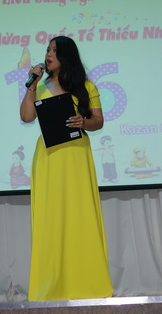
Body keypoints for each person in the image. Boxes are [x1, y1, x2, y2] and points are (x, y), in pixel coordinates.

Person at [20, 36, 113, 301]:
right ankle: (51, 287)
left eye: (54, 51)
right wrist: (31, 85)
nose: (48, 55)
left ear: (67, 56)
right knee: (51, 218)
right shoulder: (39, 86)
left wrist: (83, 122)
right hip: (49, 157)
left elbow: (98, 121)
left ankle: (89, 284)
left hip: (76, 156)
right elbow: (26, 117)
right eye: (47, 50)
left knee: (80, 215)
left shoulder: (86, 86)